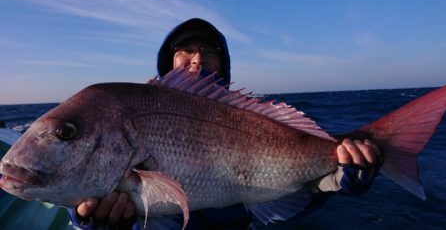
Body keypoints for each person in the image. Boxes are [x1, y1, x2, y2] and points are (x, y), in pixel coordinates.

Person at [68, 18, 381, 229]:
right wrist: (88, 216)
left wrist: (334, 179)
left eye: (208, 52)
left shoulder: (252, 118)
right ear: (169, 63)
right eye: (186, 51)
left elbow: (296, 192)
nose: (197, 59)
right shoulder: (131, 110)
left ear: (224, 65)